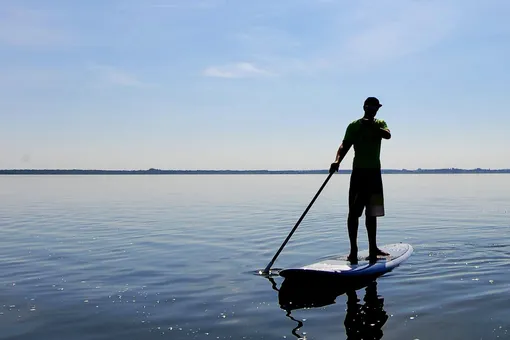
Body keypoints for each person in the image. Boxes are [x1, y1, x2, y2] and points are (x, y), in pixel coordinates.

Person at [329, 97, 391, 264]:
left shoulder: (380, 123)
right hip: (359, 174)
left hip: (375, 175)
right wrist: (337, 161)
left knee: (373, 213)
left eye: (376, 107)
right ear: (365, 107)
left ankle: (373, 249)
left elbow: (388, 135)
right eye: (371, 106)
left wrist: (373, 125)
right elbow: (345, 145)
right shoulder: (354, 126)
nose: (374, 109)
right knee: (354, 213)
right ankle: (353, 251)